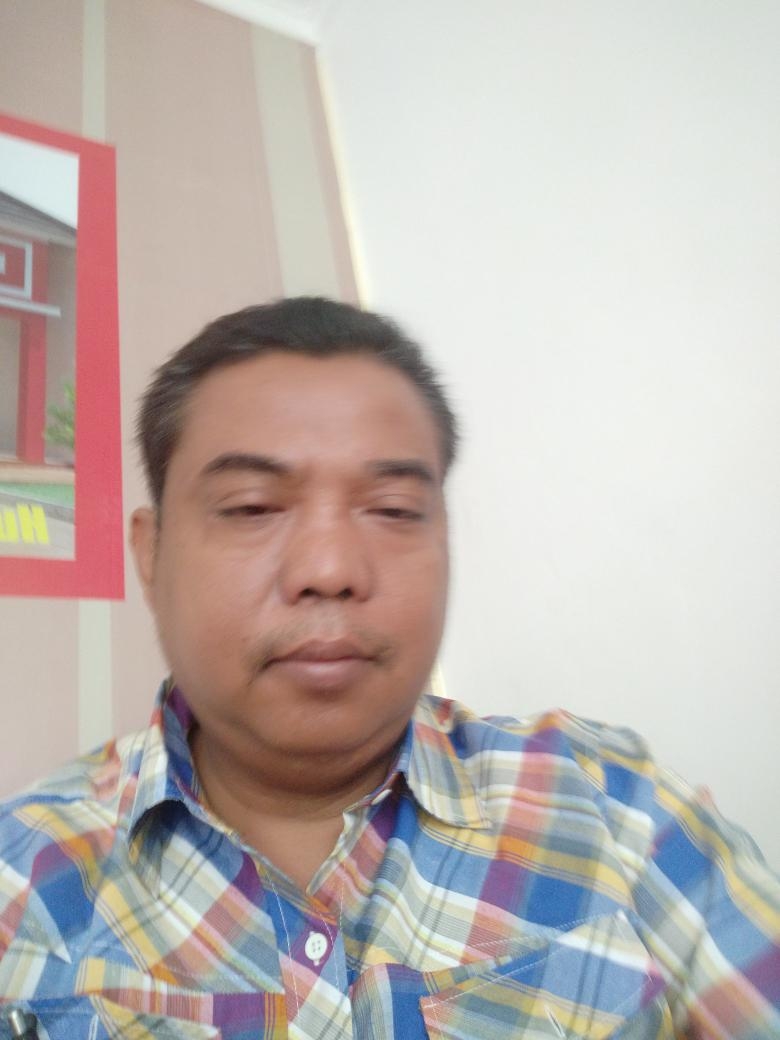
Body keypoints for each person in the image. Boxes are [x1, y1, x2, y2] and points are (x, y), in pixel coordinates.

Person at [0, 296, 777, 1040]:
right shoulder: (24, 883)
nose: (331, 568)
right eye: (252, 506)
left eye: (395, 510)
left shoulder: (618, 814)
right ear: (152, 554)